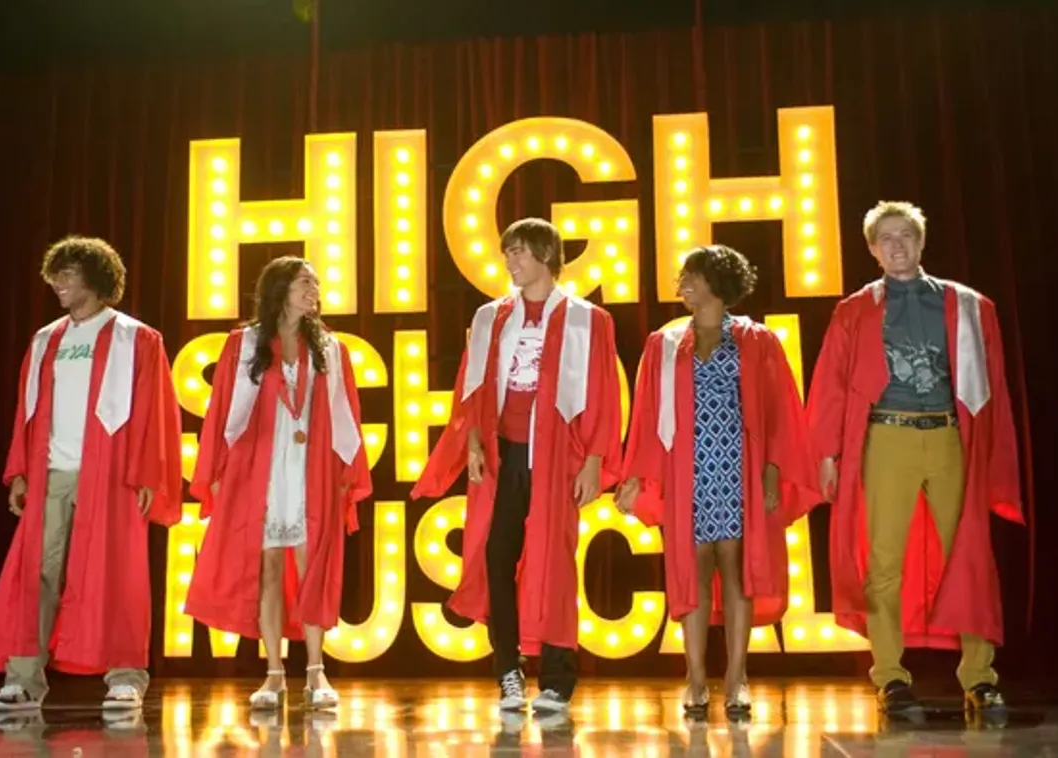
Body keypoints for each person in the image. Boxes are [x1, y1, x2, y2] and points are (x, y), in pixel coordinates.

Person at [807, 201, 1022, 715]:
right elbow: (832, 383)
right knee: (882, 561)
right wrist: (827, 452)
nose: (897, 245)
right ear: (873, 249)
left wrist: (991, 450)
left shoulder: (968, 306)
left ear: (921, 242)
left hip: (949, 437)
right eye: (886, 238)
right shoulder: (855, 310)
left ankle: (979, 677)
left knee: (969, 553)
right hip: (888, 436)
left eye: (905, 235)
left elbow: (992, 387)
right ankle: (890, 678)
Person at [411, 218, 623, 715]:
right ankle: (507, 669)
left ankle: (557, 678)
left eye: (519, 252)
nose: (509, 261)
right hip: (503, 453)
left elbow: (603, 392)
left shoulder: (587, 319)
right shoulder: (491, 317)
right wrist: (473, 444)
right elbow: (472, 387)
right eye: (507, 252)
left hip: (557, 456)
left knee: (554, 562)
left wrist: (594, 461)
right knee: (496, 558)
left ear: (546, 256)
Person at [614, 246, 820, 718]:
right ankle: (695, 678)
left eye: (695, 275)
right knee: (692, 569)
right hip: (685, 469)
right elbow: (646, 415)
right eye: (683, 274)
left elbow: (778, 412)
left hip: (737, 467)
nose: (684, 283)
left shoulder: (757, 340)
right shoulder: (664, 344)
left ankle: (737, 677)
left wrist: (771, 472)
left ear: (720, 283)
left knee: (736, 569)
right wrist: (638, 477)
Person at [0, 236, 182, 715]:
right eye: (55, 275)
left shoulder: (137, 338)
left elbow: (155, 412)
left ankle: (125, 678)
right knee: (37, 574)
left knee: (117, 575)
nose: (58, 283)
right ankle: (23, 681)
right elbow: (26, 411)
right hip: (52, 470)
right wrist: (19, 472)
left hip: (111, 474)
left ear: (95, 278)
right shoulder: (45, 339)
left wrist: (147, 473)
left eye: (67, 274)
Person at [186, 256, 372, 710]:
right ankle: (273, 674)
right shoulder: (244, 344)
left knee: (312, 568)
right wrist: (216, 472)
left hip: (310, 468)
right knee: (268, 568)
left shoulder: (330, 348)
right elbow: (222, 412)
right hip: (262, 470)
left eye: (316, 284)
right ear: (280, 289)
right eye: (305, 282)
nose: (314, 291)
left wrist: (346, 473)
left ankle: (316, 670)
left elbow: (347, 415)